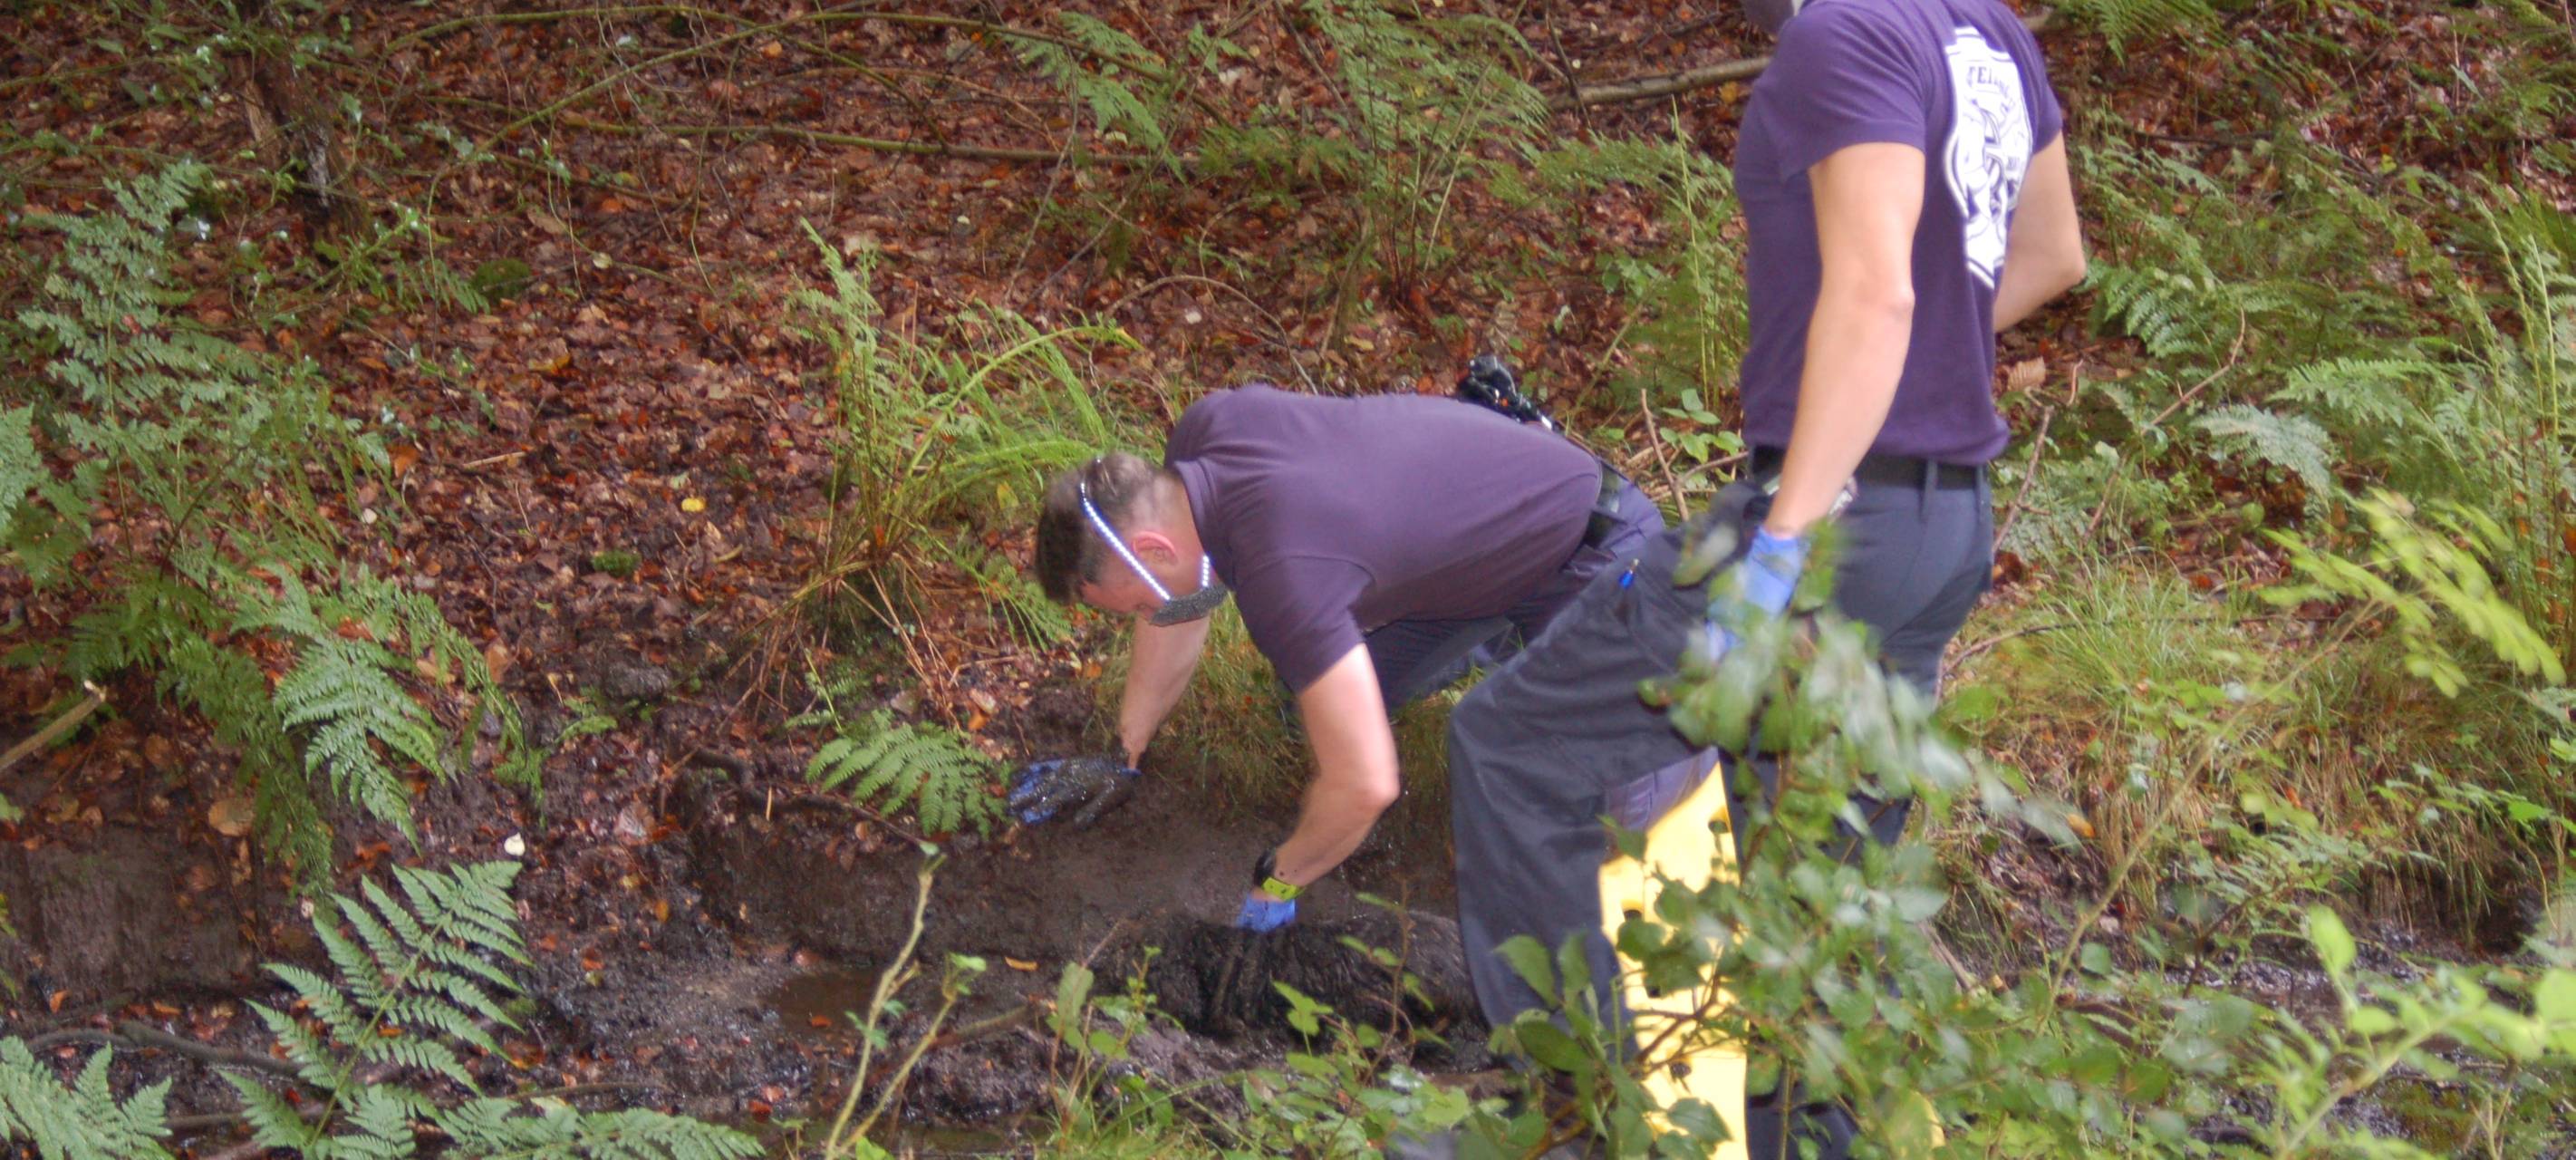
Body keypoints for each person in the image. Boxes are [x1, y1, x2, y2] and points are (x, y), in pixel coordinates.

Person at [1439, 0, 2087, 1152]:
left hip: (1828, 523)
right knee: (1809, 884)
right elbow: (2052, 254)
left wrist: (1783, 539)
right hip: (1942, 532)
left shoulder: (1842, 32)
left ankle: (1574, 1111)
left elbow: (1878, 291)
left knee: (1514, 747)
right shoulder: (1988, 34)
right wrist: (1916, 363)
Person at [1012, 374, 1664, 933]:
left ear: (1152, 550)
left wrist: (1280, 881)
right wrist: (1123, 754)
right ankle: (1500, 641)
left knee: (1643, 836)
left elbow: (1366, 784)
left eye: (1130, 605)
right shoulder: (1203, 438)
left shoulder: (1285, 578)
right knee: (1312, 710)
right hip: (1468, 563)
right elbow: (1183, 604)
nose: (1144, 618)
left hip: (1598, 549)